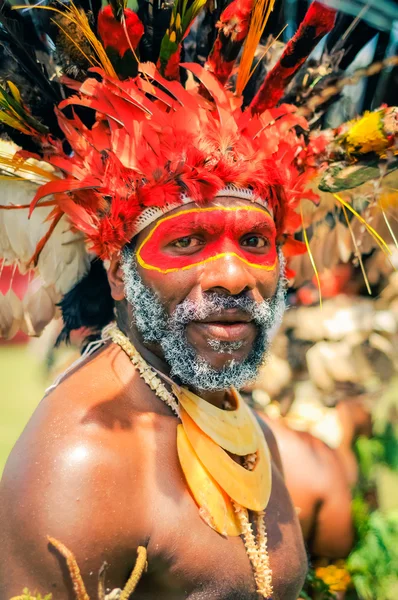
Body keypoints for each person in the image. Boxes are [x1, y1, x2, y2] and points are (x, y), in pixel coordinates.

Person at [0, 0, 394, 597]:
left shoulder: (227, 414)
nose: (234, 274)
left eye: (256, 239)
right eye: (187, 240)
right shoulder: (86, 468)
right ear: (116, 273)